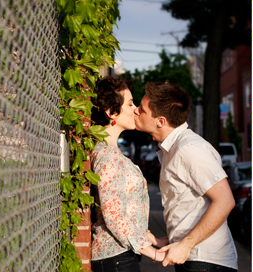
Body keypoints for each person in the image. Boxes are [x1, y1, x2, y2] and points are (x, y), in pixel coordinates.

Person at [133, 82, 238, 271]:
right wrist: (166, 239)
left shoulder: (188, 148)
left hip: (206, 261)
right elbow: (188, 205)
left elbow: (225, 201)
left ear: (161, 121)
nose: (135, 111)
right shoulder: (173, 148)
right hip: (195, 258)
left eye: (142, 109)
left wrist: (185, 244)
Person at [89, 76, 167, 272]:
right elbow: (113, 215)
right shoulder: (107, 156)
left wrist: (154, 239)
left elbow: (126, 210)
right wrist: (153, 253)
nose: (135, 109)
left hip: (120, 256)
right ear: (111, 112)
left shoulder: (111, 152)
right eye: (130, 103)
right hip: (115, 258)